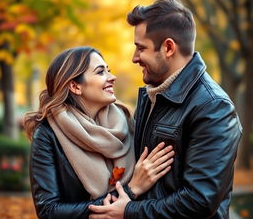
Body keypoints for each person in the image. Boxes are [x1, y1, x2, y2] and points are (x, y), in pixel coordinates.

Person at [88, 0, 242, 218]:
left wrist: (130, 211)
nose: (134, 58)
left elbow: (200, 200)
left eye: (141, 48)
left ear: (168, 47)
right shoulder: (152, 96)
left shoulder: (213, 107)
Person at [23, 46, 175, 219]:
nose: (113, 77)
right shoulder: (48, 134)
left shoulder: (128, 123)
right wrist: (131, 190)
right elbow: (48, 212)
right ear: (75, 86)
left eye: (108, 70)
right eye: (101, 72)